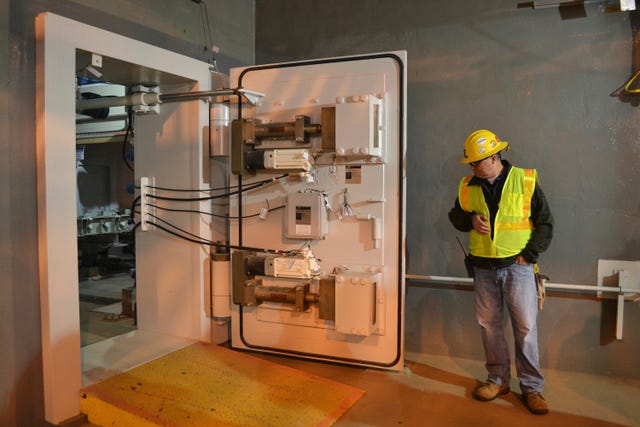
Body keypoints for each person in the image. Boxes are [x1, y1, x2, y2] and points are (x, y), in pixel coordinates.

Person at [448, 129, 554, 415]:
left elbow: (545, 223)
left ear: (494, 157)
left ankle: (532, 388)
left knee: (526, 328)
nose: (472, 168)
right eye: (470, 164)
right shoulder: (468, 185)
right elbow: (455, 216)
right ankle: (497, 379)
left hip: (517, 268)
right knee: (489, 326)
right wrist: (470, 219)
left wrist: (528, 256)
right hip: (483, 268)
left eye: (476, 162)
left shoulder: (525, 180)